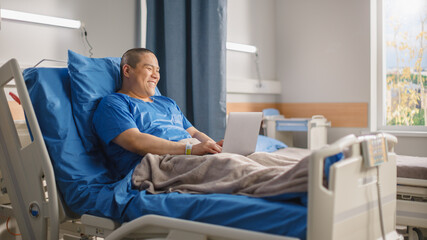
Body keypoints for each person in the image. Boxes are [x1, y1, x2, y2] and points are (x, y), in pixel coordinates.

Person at [93, 48, 223, 176]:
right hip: (159, 162)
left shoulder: (167, 103)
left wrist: (216, 147)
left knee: (238, 159)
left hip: (190, 153)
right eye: (149, 69)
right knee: (233, 169)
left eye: (157, 71)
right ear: (127, 70)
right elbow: (135, 141)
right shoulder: (114, 103)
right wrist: (190, 149)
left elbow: (194, 133)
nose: (155, 76)